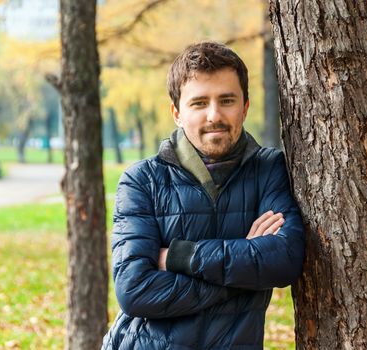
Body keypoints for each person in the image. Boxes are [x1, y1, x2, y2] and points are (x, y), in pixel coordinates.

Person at [102, 41, 305, 350]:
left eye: (227, 100)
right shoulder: (142, 181)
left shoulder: (268, 170)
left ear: (245, 106)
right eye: (199, 103)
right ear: (177, 113)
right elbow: (135, 290)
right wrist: (245, 271)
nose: (214, 115)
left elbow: (284, 260)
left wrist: (178, 257)